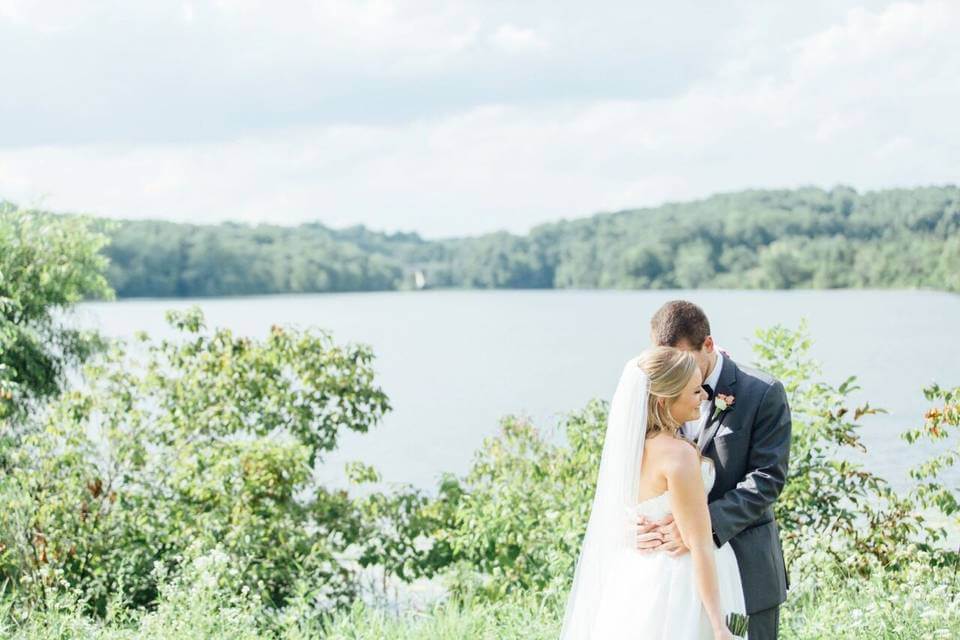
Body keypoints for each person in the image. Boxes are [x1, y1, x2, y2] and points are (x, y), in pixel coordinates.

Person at [560, 346, 746, 639]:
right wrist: (719, 625)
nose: (705, 397)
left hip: (638, 577)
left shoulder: (630, 449)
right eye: (696, 392)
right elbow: (699, 544)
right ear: (663, 401)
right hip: (685, 583)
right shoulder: (679, 455)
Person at [635, 300, 792, 640]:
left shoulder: (762, 393)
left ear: (708, 345)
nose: (674, 370)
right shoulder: (653, 395)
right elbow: (632, 477)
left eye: (682, 360)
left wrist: (698, 529)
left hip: (747, 570)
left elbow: (767, 480)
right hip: (670, 585)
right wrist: (634, 526)